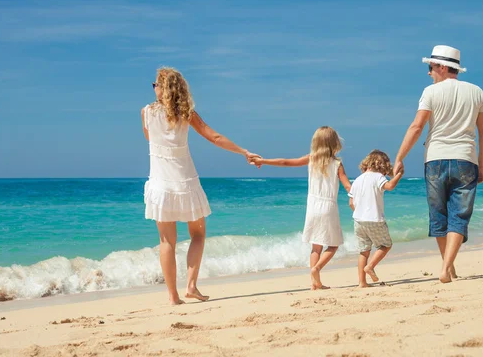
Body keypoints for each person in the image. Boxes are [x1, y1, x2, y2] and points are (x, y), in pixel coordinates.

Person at [141, 67, 259, 305]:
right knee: (198, 234)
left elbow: (149, 138)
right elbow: (214, 137)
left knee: (167, 242)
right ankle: (192, 286)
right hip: (185, 182)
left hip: (160, 185)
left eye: (156, 84)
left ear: (165, 88)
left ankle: (173, 297)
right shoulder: (187, 114)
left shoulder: (145, 113)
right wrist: (243, 151)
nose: (154, 88)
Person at [393, 45, 483, 284]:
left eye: (431, 67)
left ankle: (448, 266)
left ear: (443, 67)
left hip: (435, 158)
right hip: (466, 158)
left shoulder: (430, 92)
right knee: (460, 215)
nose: (428, 72)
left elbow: (416, 127)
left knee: (438, 215)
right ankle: (447, 267)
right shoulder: (477, 91)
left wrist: (399, 158)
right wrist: (482, 164)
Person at [252, 126, 351, 290]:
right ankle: (317, 269)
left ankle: (314, 283)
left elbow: (285, 162)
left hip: (312, 207)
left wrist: (263, 161)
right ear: (334, 143)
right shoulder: (337, 164)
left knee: (315, 247)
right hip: (328, 207)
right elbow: (347, 186)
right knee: (333, 245)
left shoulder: (311, 159)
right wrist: (358, 195)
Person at [348, 150, 403, 287]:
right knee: (385, 245)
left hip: (358, 221)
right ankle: (370, 266)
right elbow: (389, 186)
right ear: (382, 165)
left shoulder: (357, 180)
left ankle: (362, 282)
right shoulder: (378, 177)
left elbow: (351, 203)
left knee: (364, 251)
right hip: (374, 219)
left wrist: (360, 212)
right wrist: (399, 175)